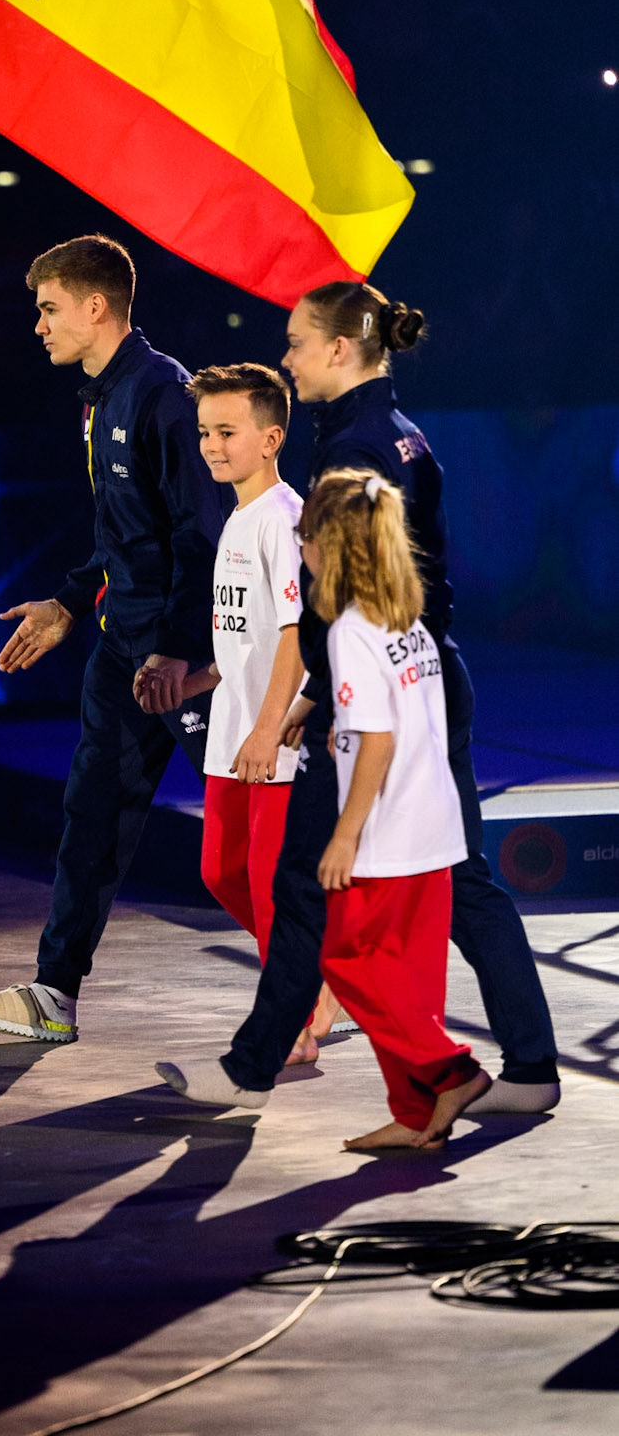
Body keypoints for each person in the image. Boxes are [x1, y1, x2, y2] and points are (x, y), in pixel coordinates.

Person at [158, 282, 557, 1112]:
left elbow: (344, 596)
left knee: (308, 887)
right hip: (417, 674)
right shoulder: (396, 433)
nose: (288, 357)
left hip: (377, 687)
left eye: (298, 342)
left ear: (340, 350)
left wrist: (310, 705)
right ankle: (524, 1068)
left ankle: (273, 1065)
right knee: (456, 880)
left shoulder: (357, 449)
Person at [0, 235, 226, 1043]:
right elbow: (124, 534)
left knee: (255, 834)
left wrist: (178, 652)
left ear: (95, 306)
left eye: (48, 308)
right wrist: (73, 602)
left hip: (190, 659)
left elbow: (200, 536)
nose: (38, 326)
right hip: (123, 651)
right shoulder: (100, 396)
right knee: (92, 813)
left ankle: (335, 977)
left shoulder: (164, 395)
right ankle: (54, 993)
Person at [304, 469, 490, 1149]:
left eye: (306, 539)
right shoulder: (405, 617)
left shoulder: (351, 629)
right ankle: (415, 1116)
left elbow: (379, 739)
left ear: (329, 544)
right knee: (411, 984)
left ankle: (453, 1071)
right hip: (433, 823)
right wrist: (342, 732)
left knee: (341, 958)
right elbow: (400, 717)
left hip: (387, 832)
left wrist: (344, 837)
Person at [187, 365, 306, 967]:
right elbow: (246, 630)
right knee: (220, 871)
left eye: (227, 431)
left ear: (271, 439)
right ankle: (309, 976)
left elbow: (299, 631)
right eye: (206, 431)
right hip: (231, 730)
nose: (212, 444)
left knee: (269, 884)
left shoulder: (284, 519)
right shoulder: (238, 517)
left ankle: (296, 1002)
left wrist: (268, 728)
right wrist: (199, 678)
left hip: (277, 737)